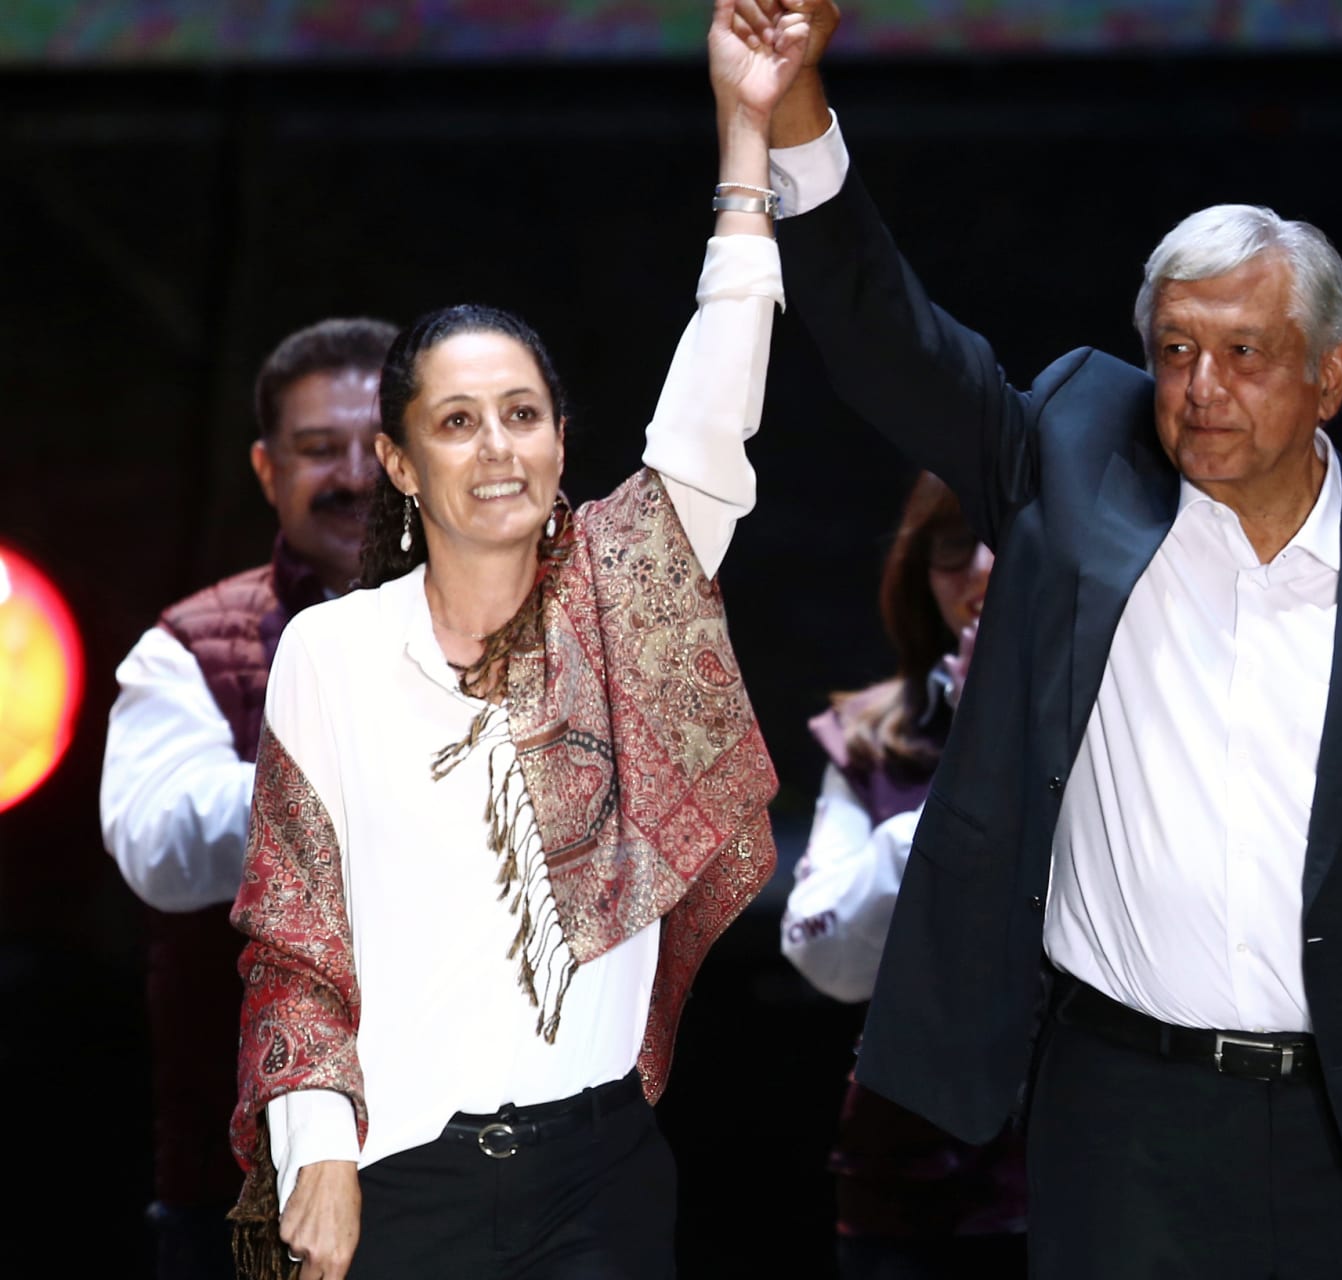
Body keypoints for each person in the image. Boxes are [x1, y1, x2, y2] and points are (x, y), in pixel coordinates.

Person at [741, 5, 1342, 1278]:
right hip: (1122, 1114)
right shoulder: (1081, 472)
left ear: (1332, 373)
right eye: (1177, 352)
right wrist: (797, 99)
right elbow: (890, 337)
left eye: (1245, 354)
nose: (1200, 388)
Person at [225, 5, 810, 1277]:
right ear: (398, 460)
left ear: (558, 441)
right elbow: (292, 935)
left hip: (597, 1171)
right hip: (395, 1180)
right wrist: (311, 1142)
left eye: (522, 414)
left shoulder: (621, 591)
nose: (497, 447)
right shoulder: (332, 653)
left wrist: (745, 138)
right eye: (457, 421)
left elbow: (718, 403)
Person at [101, 315, 396, 1280]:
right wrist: (356, 767)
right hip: (241, 1195)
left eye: (378, 443)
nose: (353, 473)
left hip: (488, 1178)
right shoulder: (187, 646)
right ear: (269, 472)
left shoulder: (521, 630)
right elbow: (160, 848)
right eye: (319, 450)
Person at [780, 472, 1026, 1278]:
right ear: (920, 571)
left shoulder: (1122, 714)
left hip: (1081, 1172)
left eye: (1010, 538)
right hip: (909, 1186)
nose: (984, 566)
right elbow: (819, 953)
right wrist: (949, 801)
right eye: (956, 545)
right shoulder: (871, 738)